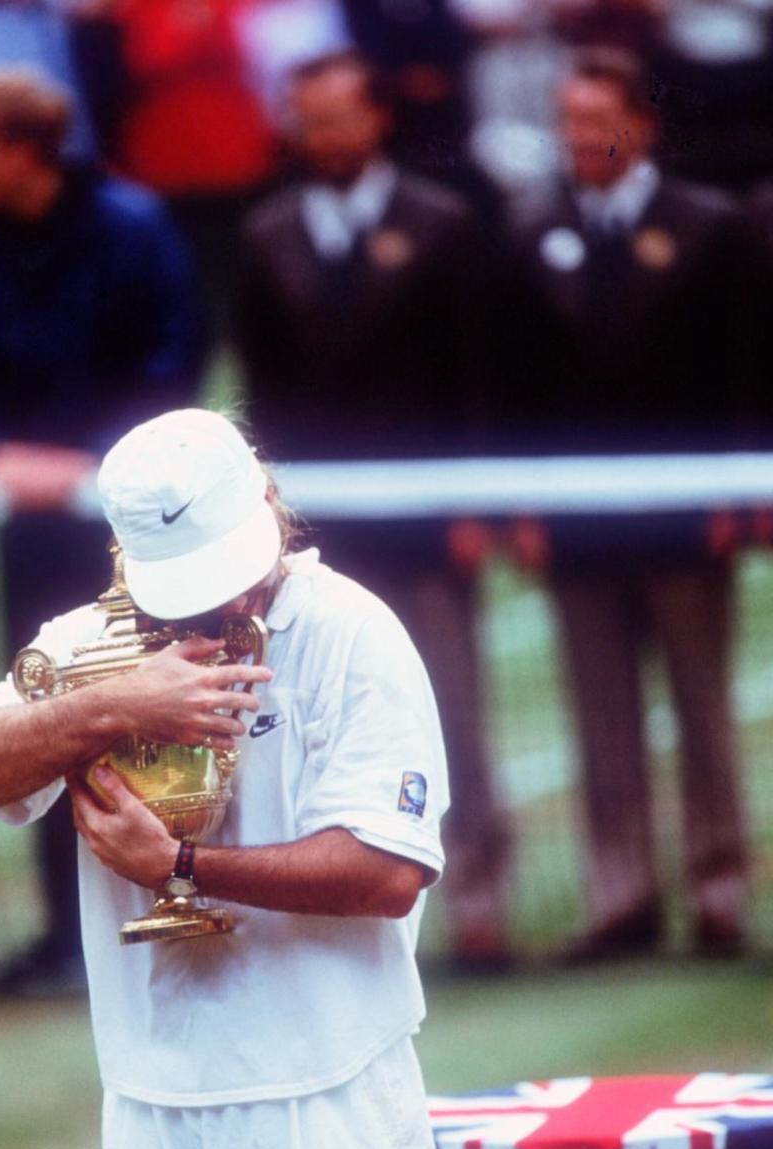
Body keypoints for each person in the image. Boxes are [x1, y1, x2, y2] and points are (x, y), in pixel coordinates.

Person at [0, 407, 454, 1149]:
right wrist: (112, 701)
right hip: (159, 1108)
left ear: (266, 505)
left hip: (329, 1093)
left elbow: (388, 872)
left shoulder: (353, 630)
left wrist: (176, 865)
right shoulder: (86, 649)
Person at [234, 49, 513, 972]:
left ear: (377, 119)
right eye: (311, 122)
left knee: (451, 711)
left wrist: (475, 505)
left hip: (428, 525)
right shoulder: (265, 233)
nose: (328, 138)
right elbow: (261, 398)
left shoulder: (444, 225)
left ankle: (481, 900)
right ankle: (336, 896)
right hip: (314, 544)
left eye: (342, 119)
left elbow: (478, 379)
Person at [0, 66, 203, 993]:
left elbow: (174, 359)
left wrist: (86, 464)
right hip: (29, 528)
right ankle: (64, 931)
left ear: (20, 149)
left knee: (145, 714)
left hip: (135, 534)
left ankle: (174, 888)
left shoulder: (133, 229)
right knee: (45, 709)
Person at [504, 47, 753, 960]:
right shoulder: (530, 231)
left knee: (701, 711)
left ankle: (720, 892)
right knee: (599, 718)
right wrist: (518, 507)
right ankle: (624, 894)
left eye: (593, 120)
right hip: (574, 528)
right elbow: (514, 391)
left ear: (640, 126)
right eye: (565, 121)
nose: (577, 139)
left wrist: (739, 492)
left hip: (688, 519)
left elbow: (743, 370)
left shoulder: (712, 226)